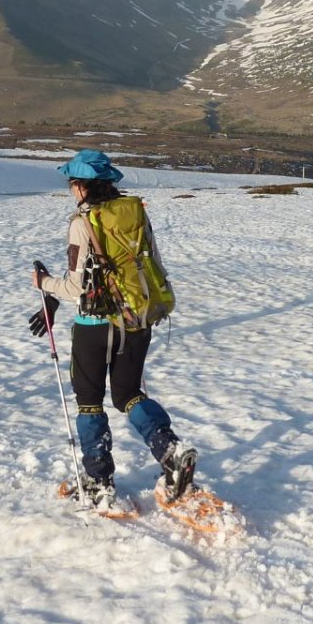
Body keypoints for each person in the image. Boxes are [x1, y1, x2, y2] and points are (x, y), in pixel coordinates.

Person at [29, 148, 196, 510]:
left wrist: (44, 284)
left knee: (90, 403)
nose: (72, 189)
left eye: (73, 183)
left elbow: (75, 288)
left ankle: (99, 481)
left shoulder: (82, 222)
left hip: (94, 327)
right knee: (128, 394)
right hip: (135, 320)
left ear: (83, 186)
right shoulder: (135, 214)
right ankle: (170, 451)